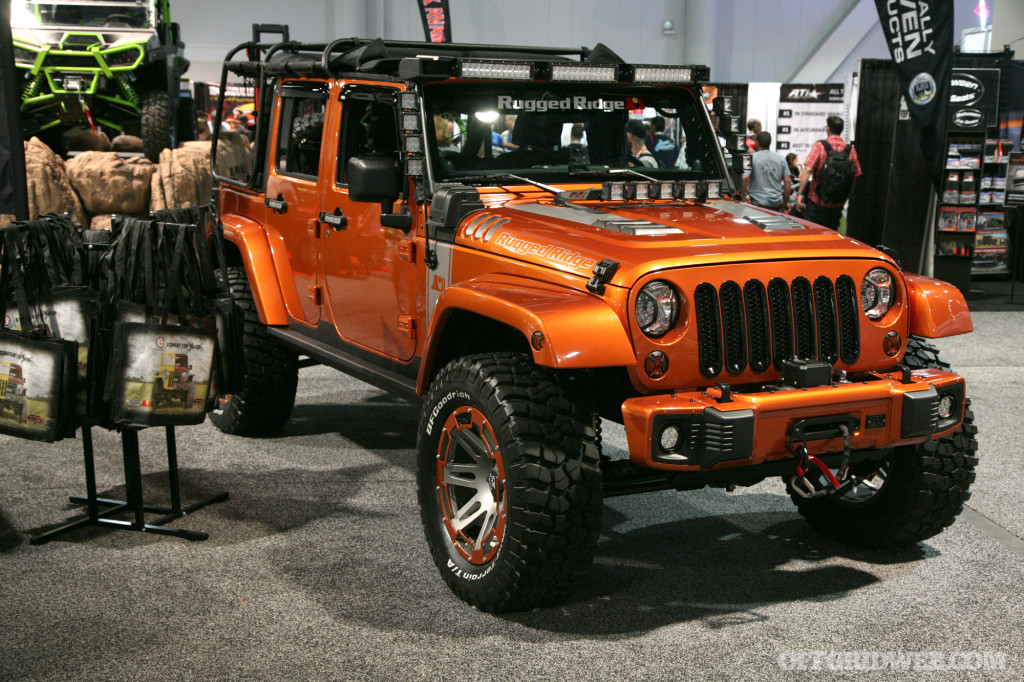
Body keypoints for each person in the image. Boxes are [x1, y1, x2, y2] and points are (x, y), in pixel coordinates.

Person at [797, 115, 862, 229]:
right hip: (838, 204)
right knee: (831, 234)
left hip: (817, 202)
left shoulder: (820, 146)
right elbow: (855, 176)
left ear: (828, 129)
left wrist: (800, 194)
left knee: (813, 235)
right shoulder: (850, 150)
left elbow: (807, 170)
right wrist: (845, 197)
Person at [742, 131, 790, 211]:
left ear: (756, 143)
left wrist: (744, 195)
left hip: (757, 203)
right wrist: (787, 201)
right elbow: (787, 181)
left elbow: (744, 178)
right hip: (776, 204)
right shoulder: (781, 158)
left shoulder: (751, 157)